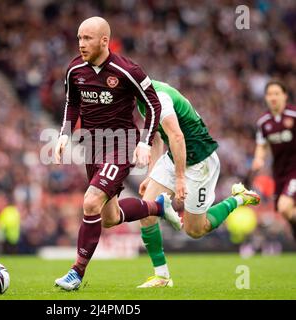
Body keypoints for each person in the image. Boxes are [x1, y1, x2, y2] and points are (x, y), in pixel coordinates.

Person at [54, 16, 171, 291]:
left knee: (91, 201)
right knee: (109, 217)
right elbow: (72, 103)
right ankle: (158, 207)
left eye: (88, 38)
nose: (81, 44)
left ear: (104, 41)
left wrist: (145, 141)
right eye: (79, 38)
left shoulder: (127, 70)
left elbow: (153, 105)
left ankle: (76, 273)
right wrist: (63, 134)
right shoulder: (74, 70)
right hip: (92, 148)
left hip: (122, 145)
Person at [127, 80, 261, 288]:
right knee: (146, 212)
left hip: (200, 161)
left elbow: (177, 136)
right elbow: (157, 138)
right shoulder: (144, 100)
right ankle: (162, 276)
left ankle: (238, 198)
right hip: (176, 156)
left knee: (195, 230)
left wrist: (180, 178)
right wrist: (151, 174)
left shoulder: (160, 98)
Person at [252, 80, 296, 240]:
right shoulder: (264, 122)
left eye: (277, 93)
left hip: (294, 170)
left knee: (284, 207)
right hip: (279, 173)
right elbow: (261, 145)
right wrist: (258, 159)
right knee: (287, 212)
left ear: (285, 96)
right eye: (270, 94)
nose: (273, 97)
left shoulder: (293, 115)